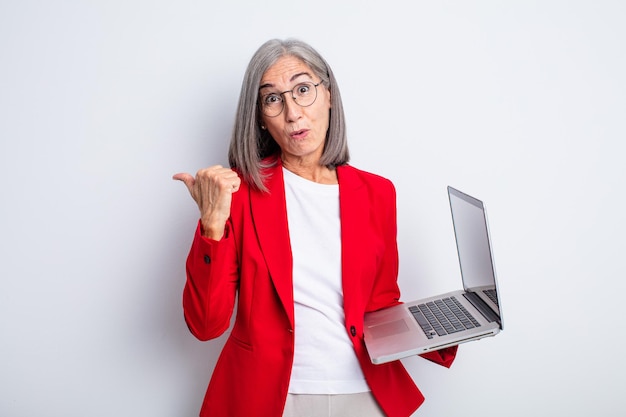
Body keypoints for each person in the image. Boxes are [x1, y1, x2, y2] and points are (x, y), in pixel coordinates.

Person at [173, 38, 457, 417]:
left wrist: (445, 325)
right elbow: (206, 326)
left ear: (328, 95)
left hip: (364, 392)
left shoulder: (378, 193)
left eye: (303, 90)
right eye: (273, 99)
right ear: (259, 115)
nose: (292, 112)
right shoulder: (238, 194)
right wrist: (212, 224)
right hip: (269, 398)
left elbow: (380, 304)